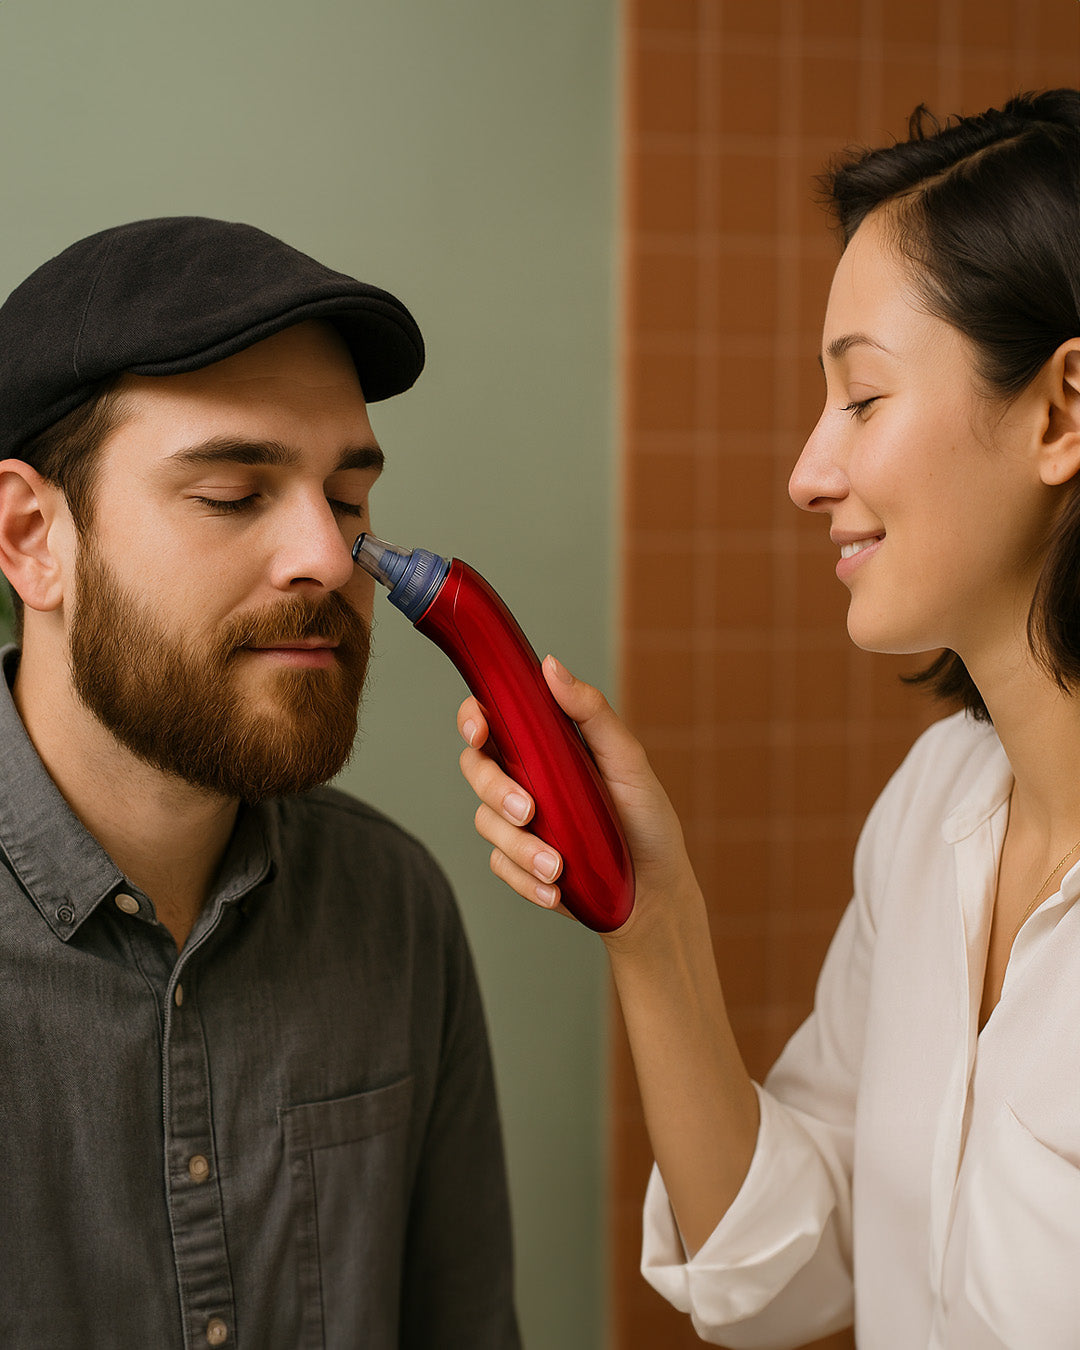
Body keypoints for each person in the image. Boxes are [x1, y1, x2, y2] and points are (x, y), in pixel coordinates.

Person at [458, 88, 1080, 1348]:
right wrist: (654, 917)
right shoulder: (933, 811)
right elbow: (783, 1276)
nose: (809, 473)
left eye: (861, 400)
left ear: (1062, 412)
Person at [0, 217, 520, 1349]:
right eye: (235, 494)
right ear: (33, 535)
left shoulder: (396, 909)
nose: (331, 562)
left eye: (346, 499)